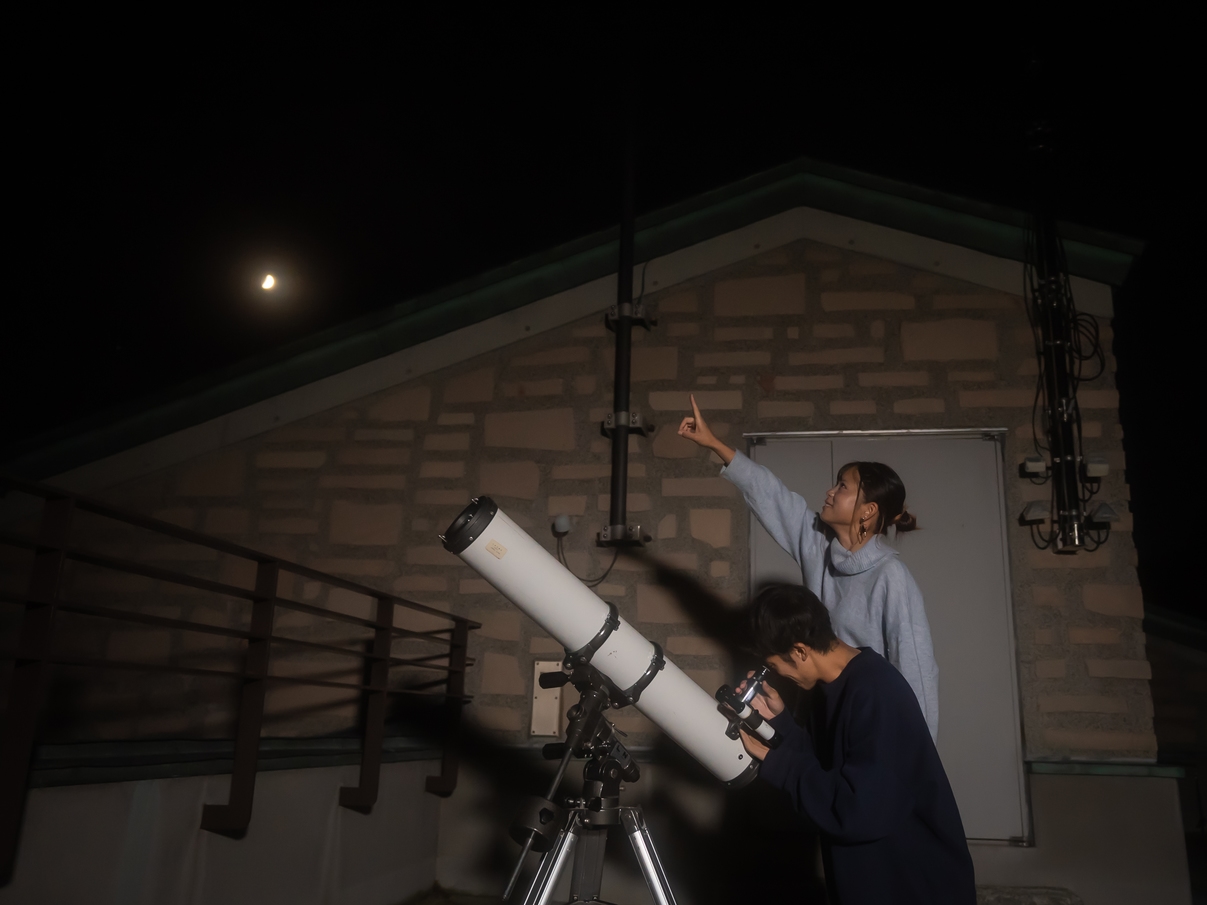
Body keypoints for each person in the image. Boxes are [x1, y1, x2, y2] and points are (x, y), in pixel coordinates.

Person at [678, 395, 940, 739]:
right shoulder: (818, 545)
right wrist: (713, 443)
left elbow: (916, 671)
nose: (830, 492)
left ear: (867, 510)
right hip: (819, 716)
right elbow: (771, 495)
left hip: (869, 719)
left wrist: (920, 758)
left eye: (843, 486)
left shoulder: (890, 577)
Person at [739, 583, 975, 905]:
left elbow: (858, 810)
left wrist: (776, 762)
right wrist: (781, 725)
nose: (780, 674)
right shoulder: (834, 686)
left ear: (799, 651)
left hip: (915, 889)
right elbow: (829, 772)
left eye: (775, 665)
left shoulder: (876, 691)